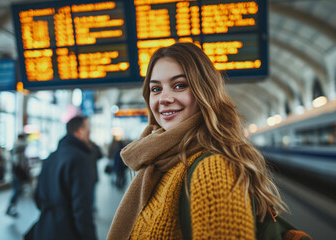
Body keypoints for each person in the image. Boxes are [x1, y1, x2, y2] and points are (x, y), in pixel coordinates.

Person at [107, 42, 288, 240]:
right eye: (156, 89)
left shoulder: (213, 170)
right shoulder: (159, 164)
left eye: (179, 85)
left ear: (205, 92)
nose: (164, 98)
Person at [33, 116, 97, 240]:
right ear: (80, 131)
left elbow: (37, 197)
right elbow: (81, 208)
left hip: (45, 227)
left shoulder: (51, 157)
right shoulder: (80, 159)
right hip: (68, 231)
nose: (90, 133)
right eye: (88, 129)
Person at [6, 133, 29, 217]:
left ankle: (11, 207)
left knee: (17, 191)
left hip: (15, 174)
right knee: (16, 190)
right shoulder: (19, 149)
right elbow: (19, 164)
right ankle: (10, 207)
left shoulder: (16, 149)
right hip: (16, 175)